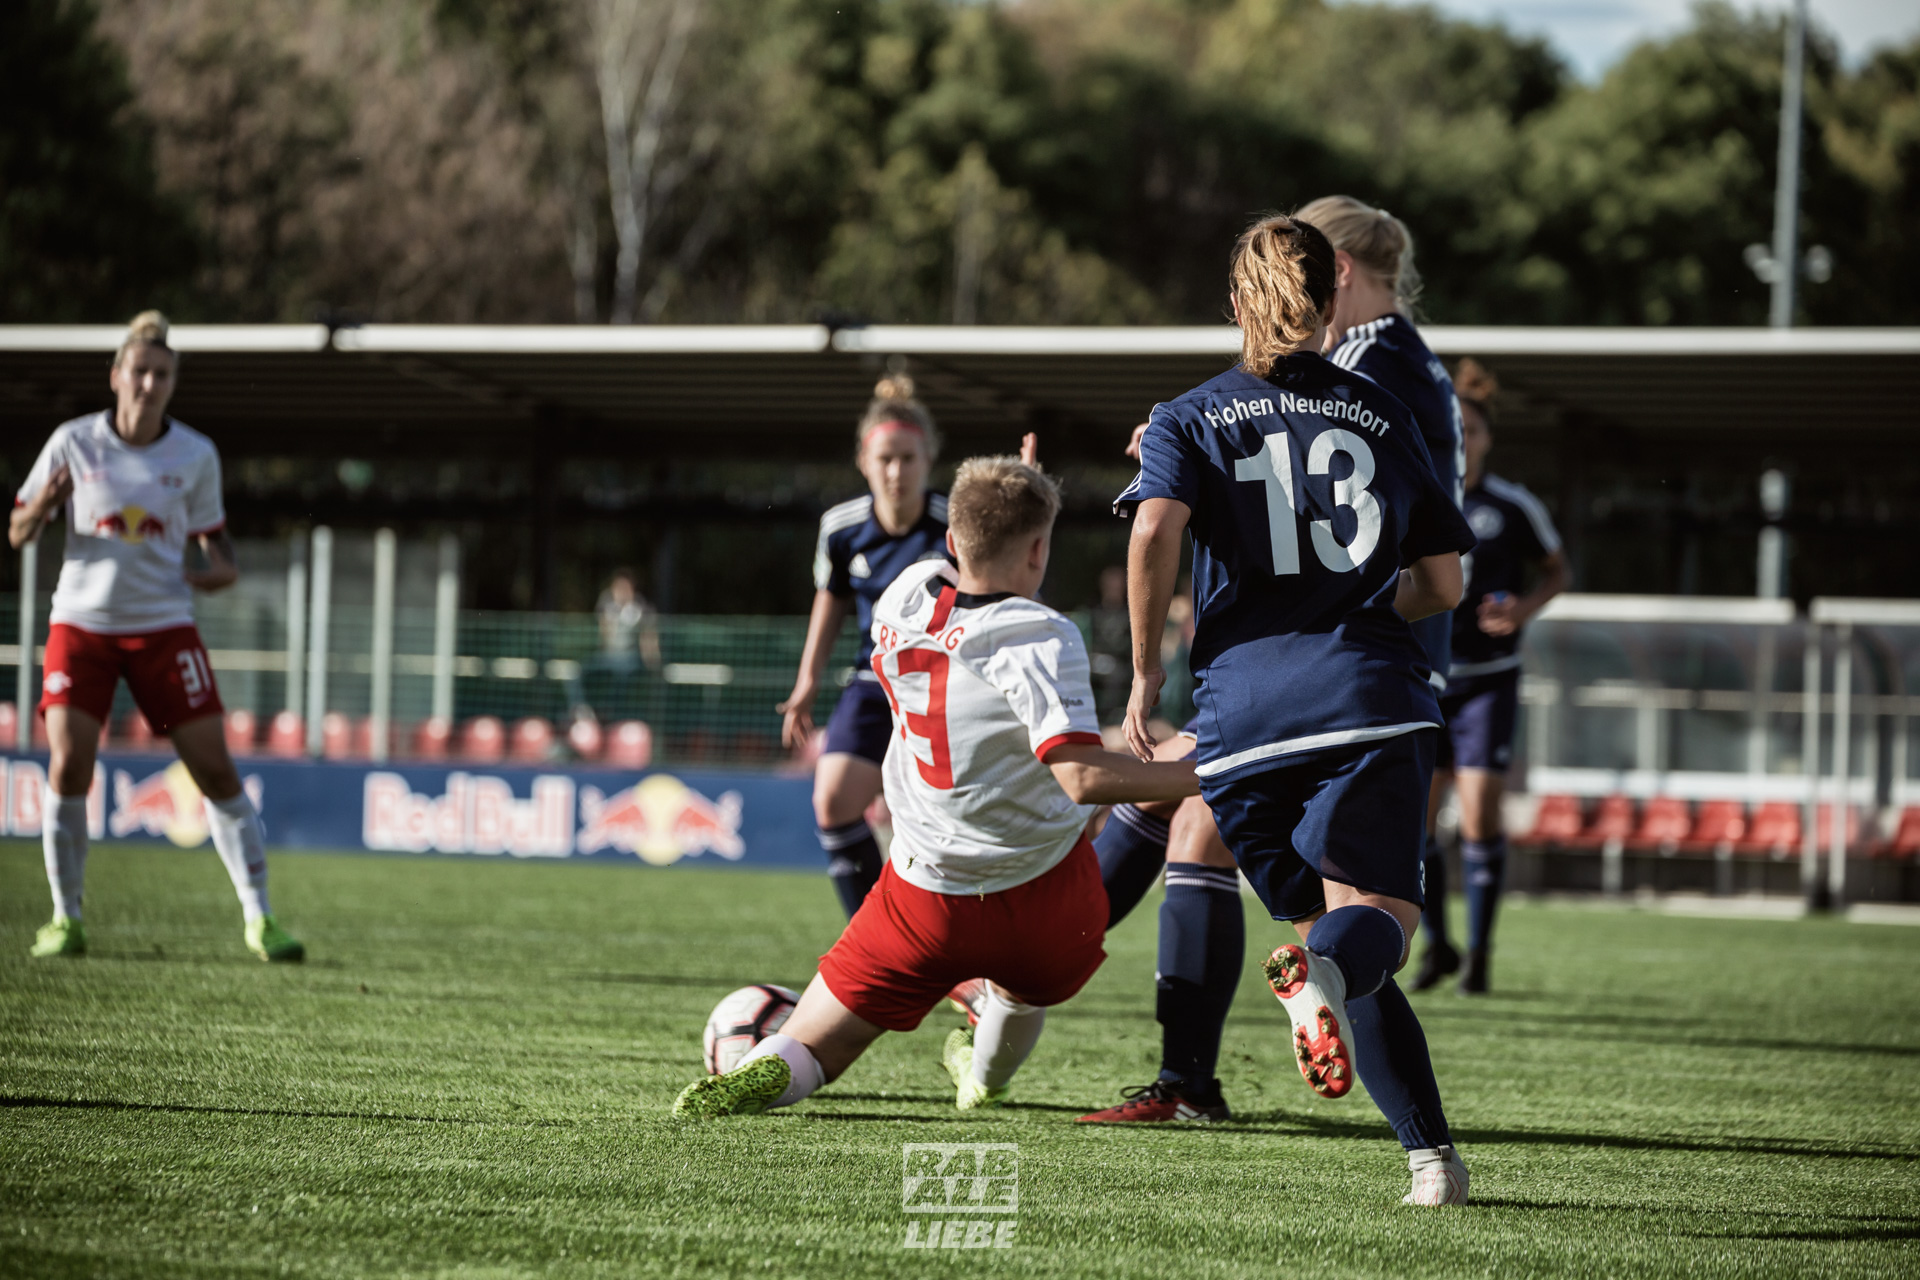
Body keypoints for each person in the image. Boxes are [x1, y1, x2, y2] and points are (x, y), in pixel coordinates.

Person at [1082, 196, 1468, 1122]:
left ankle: (1028, 968)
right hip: (1366, 665)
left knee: (1197, 822)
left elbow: (1290, 482)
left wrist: (1191, 451)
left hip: (1333, 654)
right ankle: (1236, 1066)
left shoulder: (1364, 366)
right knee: (1218, 841)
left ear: (1334, 275)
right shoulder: (1401, 371)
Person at [675, 456, 1200, 1119]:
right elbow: (1082, 777)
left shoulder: (903, 596)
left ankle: (769, 1068)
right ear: (1039, 551)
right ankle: (983, 1079)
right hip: (1041, 899)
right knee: (1022, 991)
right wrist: (1207, 773)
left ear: (952, 540)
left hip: (921, 897)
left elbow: (968, 574)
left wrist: (1008, 504)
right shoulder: (1044, 635)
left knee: (814, 1045)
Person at [14, 311, 303, 963]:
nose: (149, 384)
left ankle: (260, 918)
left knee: (215, 769)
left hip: (164, 628)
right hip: (82, 626)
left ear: (173, 383)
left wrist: (221, 571)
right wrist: (43, 506)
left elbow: (215, 543)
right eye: (140, 371)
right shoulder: (73, 443)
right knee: (68, 764)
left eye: (162, 375)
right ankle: (65, 918)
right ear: (116, 374)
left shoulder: (195, 454)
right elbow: (17, 531)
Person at [1413, 359, 1568, 994]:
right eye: (1454, 427)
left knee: (1477, 815)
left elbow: (1557, 569)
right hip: (1427, 681)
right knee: (1417, 823)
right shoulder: (1418, 494)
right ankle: (1437, 946)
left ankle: (1478, 954)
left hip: (1488, 681)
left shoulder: (1510, 504)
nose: (1463, 439)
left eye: (1472, 430)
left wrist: (1523, 609)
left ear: (1487, 439)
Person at [777, 376, 950, 918]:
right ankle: (883, 932)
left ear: (929, 458)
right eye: (885, 459)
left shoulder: (957, 526)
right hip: (874, 683)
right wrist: (807, 682)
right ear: (863, 461)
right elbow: (829, 601)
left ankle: (957, 944)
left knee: (944, 825)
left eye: (907, 458)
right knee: (832, 801)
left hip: (945, 689)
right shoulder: (841, 528)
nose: (896, 471)